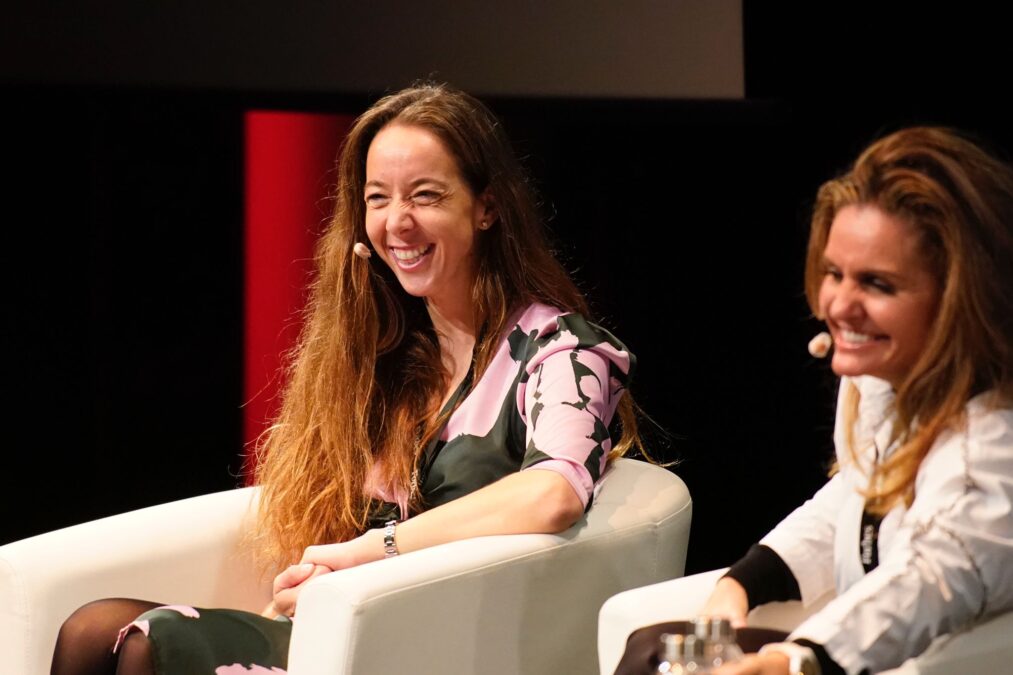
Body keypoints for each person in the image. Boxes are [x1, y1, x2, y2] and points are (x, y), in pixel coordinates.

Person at [51, 83, 641, 675]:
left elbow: (553, 494)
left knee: (145, 642)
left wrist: (367, 554)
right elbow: (329, 530)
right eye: (378, 198)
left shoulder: (562, 348)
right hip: (341, 629)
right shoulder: (381, 354)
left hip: (436, 642)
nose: (397, 223)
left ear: (486, 207)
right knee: (90, 631)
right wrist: (311, 578)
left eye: (426, 196)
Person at [615, 127, 1013, 675]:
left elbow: (930, 577)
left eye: (876, 283)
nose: (839, 305)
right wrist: (743, 582)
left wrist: (796, 661)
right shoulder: (886, 382)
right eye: (834, 273)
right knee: (652, 651)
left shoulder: (992, 443)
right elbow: (853, 499)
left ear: (958, 297)